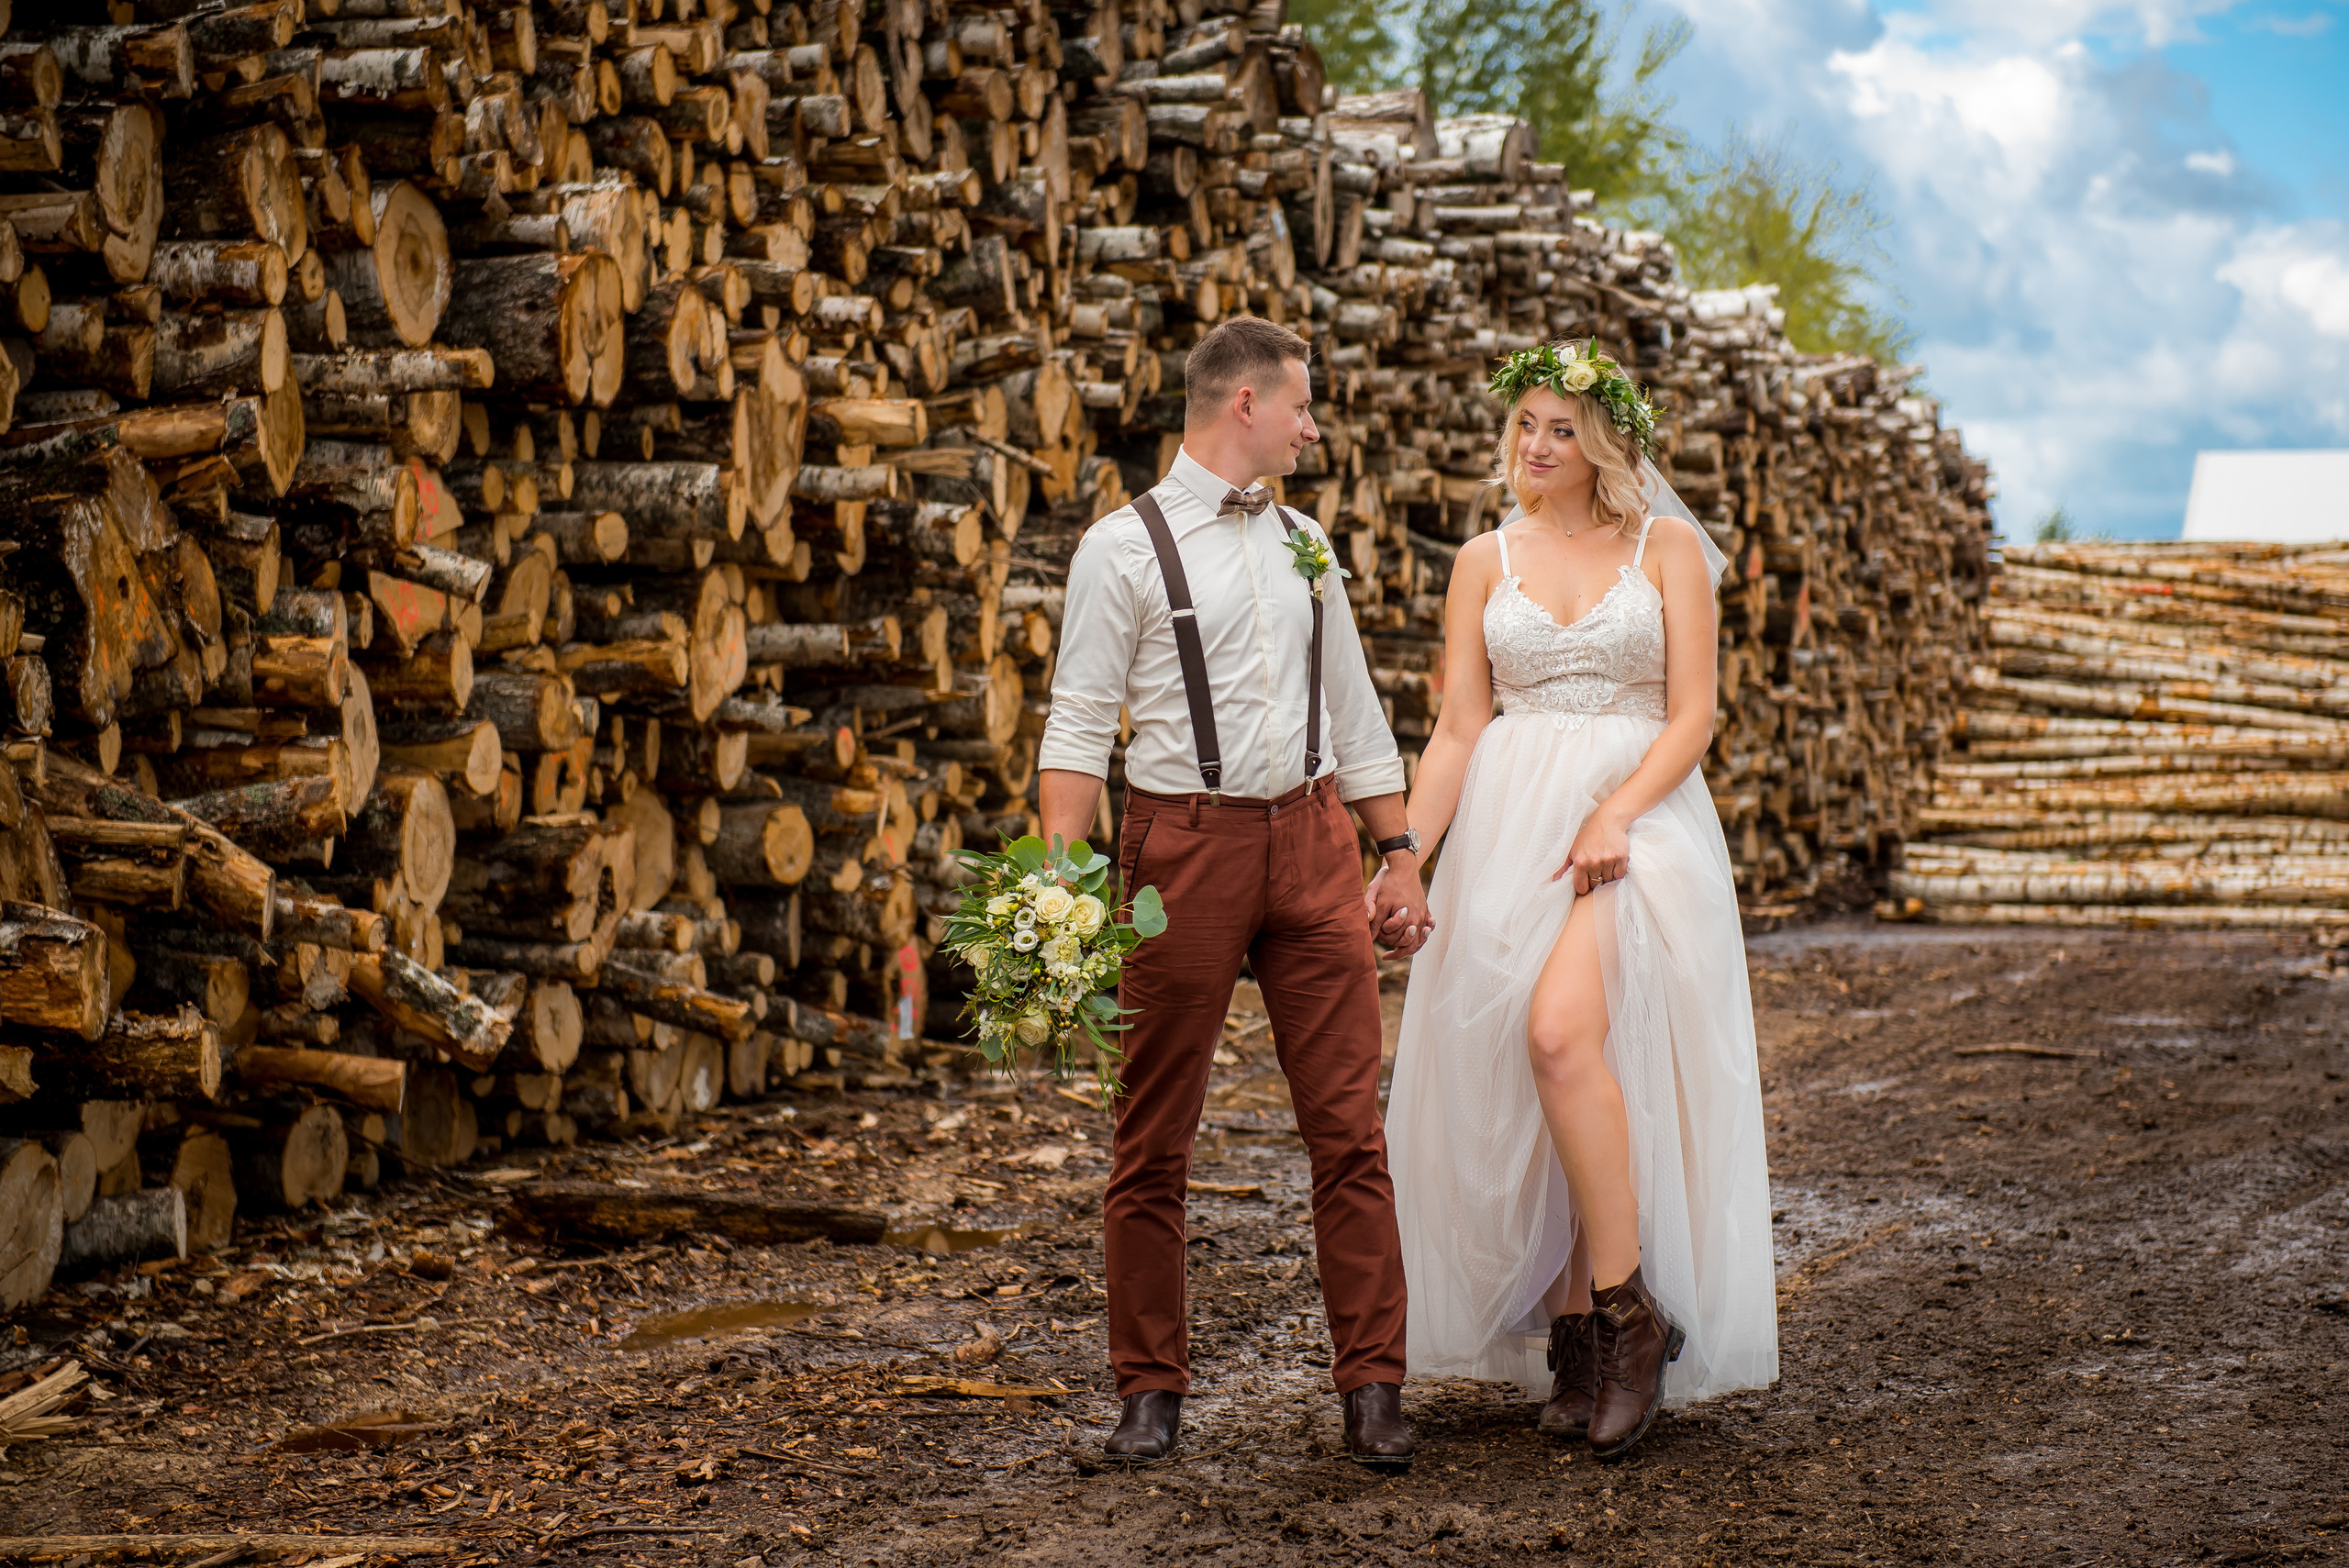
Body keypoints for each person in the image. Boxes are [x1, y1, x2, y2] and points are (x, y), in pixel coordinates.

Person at [1037, 316, 1433, 1467]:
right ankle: (1148, 1394)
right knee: (1152, 1138)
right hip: (1184, 850)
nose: (1314, 427)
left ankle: (1373, 1390)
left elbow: (1354, 713)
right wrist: (1063, 885)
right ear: (1244, 405)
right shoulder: (1119, 548)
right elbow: (1075, 722)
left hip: (1312, 847)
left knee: (1350, 1131)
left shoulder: (1308, 542)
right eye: (1301, 406)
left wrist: (1396, 849)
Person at [1378, 340, 1778, 1460]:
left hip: (1631, 830)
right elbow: (1460, 725)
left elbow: (1692, 715)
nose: (1536, 447)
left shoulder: (1665, 549)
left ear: (1603, 439)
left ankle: (1628, 1316)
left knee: (1560, 1036)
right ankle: (1571, 1336)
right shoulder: (1480, 558)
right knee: (1531, 1059)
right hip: (1510, 832)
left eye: (1560, 428)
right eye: (1522, 426)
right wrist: (1406, 851)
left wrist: (1615, 813)